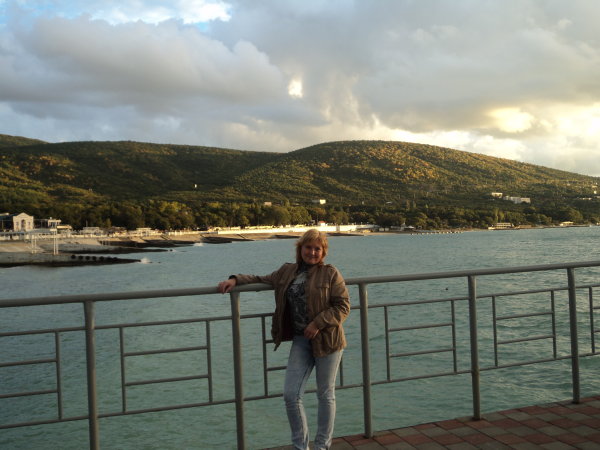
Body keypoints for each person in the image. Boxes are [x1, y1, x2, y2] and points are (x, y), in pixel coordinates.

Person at [217, 229, 350, 450]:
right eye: (308, 247)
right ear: (300, 249)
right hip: (301, 340)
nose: (312, 252)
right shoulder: (287, 271)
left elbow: (343, 306)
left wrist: (318, 323)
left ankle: (322, 446)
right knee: (291, 395)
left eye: (317, 249)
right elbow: (260, 279)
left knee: (325, 395)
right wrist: (235, 279)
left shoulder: (330, 273)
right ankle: (300, 446)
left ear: (323, 252)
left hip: (328, 340)